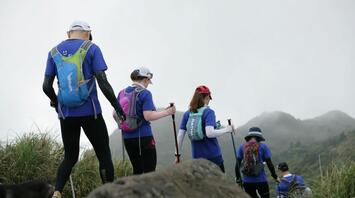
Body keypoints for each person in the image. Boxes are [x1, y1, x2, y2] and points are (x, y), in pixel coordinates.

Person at [42, 21, 125, 198]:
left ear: (69, 33)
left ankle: (57, 192)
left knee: (70, 157)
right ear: (87, 33)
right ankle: (109, 193)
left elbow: (46, 86)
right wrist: (117, 107)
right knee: (103, 154)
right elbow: (103, 82)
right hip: (91, 113)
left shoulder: (54, 53)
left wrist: (56, 103)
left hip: (66, 114)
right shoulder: (92, 48)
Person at [113, 67, 176, 175]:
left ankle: (135, 192)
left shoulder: (121, 93)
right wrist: (167, 112)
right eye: (148, 82)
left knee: (137, 170)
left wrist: (125, 125)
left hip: (127, 137)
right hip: (144, 136)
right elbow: (148, 116)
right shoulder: (145, 93)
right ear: (145, 79)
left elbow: (114, 114)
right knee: (150, 171)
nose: (148, 84)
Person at [177, 85, 234, 172]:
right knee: (219, 184)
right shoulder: (208, 112)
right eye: (209, 98)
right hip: (214, 157)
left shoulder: (187, 114)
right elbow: (210, 133)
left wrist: (177, 155)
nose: (209, 101)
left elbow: (180, 135)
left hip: (197, 158)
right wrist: (227, 129)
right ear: (206, 97)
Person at [236, 127, 279, 198]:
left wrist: (238, 179)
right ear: (259, 137)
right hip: (261, 181)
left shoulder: (242, 147)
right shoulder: (263, 147)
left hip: (247, 182)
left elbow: (237, 165)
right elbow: (270, 164)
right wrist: (275, 176)